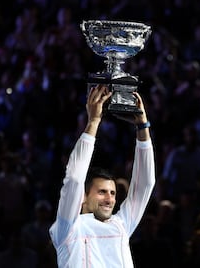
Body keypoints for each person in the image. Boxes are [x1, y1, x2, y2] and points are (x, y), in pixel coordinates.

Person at [49, 85, 156, 268]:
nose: (109, 199)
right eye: (102, 192)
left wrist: (142, 126)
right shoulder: (68, 230)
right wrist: (93, 122)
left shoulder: (121, 225)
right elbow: (74, 179)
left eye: (113, 193)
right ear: (82, 196)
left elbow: (145, 184)